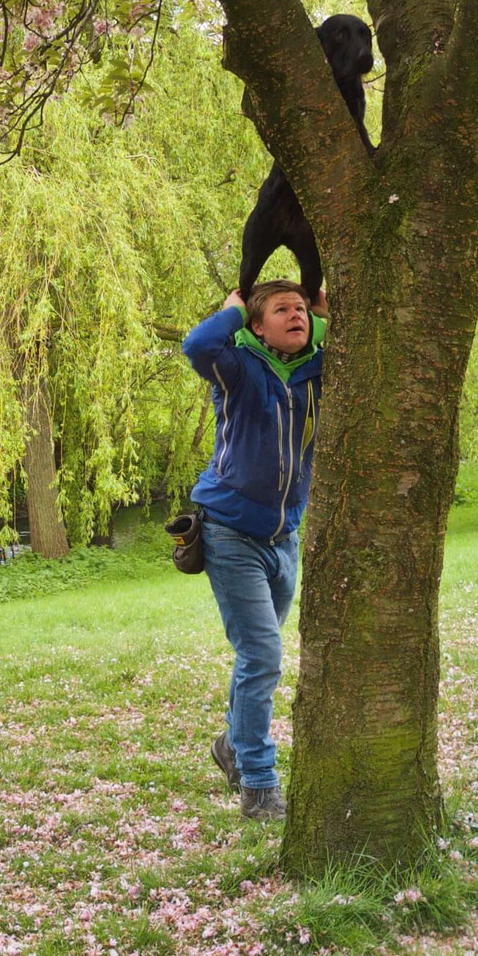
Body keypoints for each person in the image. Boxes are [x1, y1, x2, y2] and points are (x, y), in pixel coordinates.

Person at [181, 278, 325, 822]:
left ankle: (231, 745)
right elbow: (198, 347)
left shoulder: (316, 372)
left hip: (283, 538)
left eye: (302, 310)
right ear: (257, 327)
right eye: (281, 310)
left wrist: (326, 313)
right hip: (230, 533)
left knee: (256, 659)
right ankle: (258, 786)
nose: (296, 316)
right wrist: (234, 313)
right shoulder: (238, 370)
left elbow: (347, 343)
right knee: (262, 655)